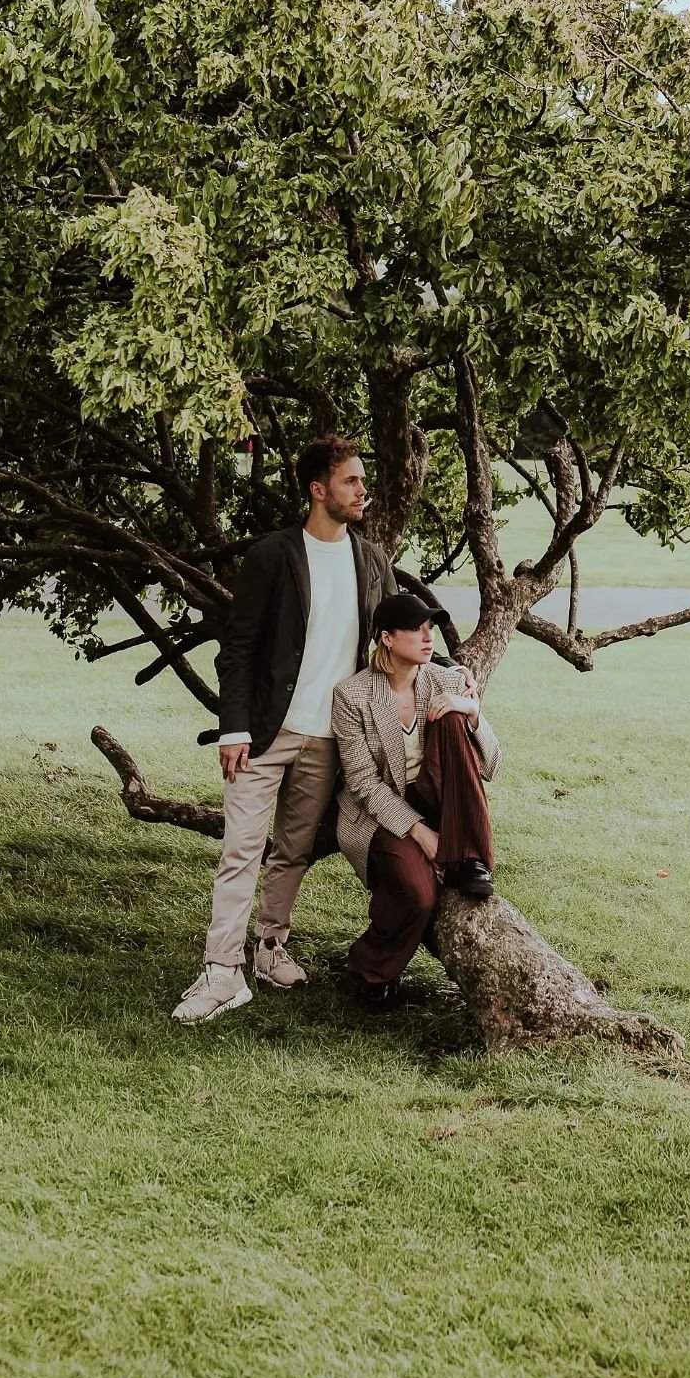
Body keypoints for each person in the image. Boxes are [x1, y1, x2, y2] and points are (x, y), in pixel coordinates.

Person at [172, 437, 458, 1024]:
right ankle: (221, 972)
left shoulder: (372, 561)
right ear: (318, 489)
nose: (362, 491)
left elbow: (395, 635)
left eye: (362, 480)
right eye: (351, 481)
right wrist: (233, 729)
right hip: (264, 734)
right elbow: (240, 648)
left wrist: (452, 675)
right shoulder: (272, 555)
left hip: (330, 738)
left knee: (293, 851)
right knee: (241, 850)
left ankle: (269, 948)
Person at [331, 593, 500, 1005]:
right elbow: (363, 784)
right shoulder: (352, 696)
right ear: (387, 638)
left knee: (454, 717)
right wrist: (421, 834)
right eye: (417, 629)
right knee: (418, 891)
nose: (429, 638)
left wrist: (471, 710)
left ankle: (471, 857)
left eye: (430, 629)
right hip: (382, 809)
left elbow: (491, 764)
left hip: (439, 796)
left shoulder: (444, 680)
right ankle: (370, 973)